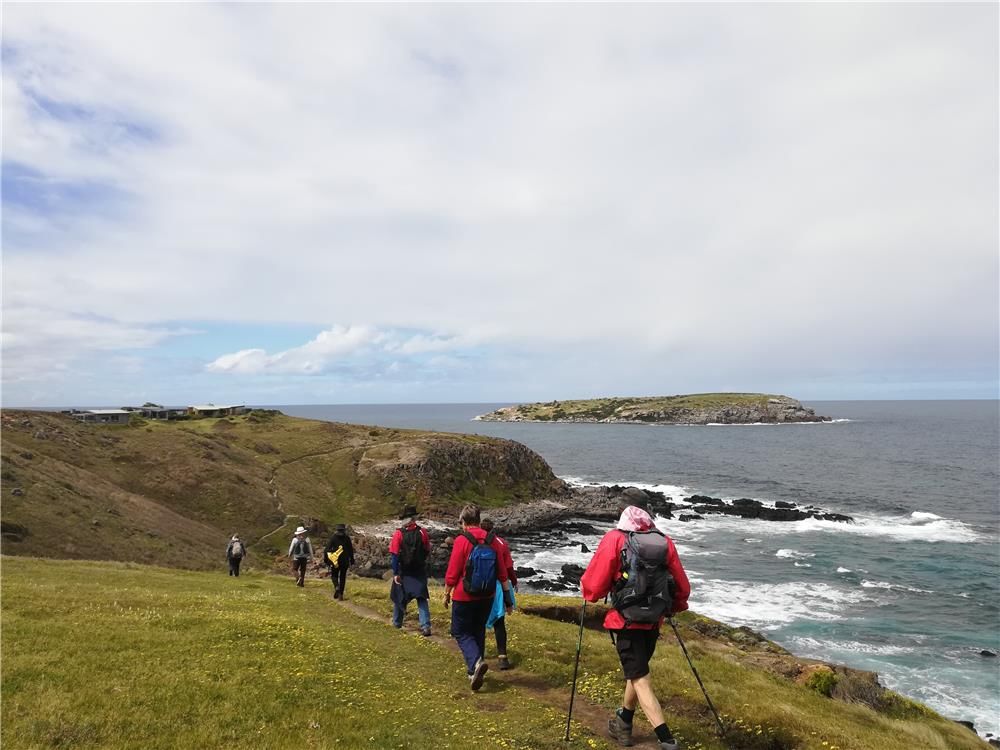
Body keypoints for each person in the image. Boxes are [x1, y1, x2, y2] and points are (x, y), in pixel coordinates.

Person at [580, 505, 691, 750]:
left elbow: (594, 584)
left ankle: (666, 739)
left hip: (626, 620)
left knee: (640, 677)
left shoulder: (614, 539)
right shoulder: (663, 541)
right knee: (637, 671)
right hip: (653, 619)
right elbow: (682, 584)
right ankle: (624, 721)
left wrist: (588, 593)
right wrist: (676, 605)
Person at [444, 504, 513, 691]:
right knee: (478, 630)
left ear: (465, 522)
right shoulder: (493, 540)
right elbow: (502, 573)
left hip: (464, 595)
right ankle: (473, 671)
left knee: (460, 631)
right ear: (479, 520)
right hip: (487, 595)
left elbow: (453, 571)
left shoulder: (462, 540)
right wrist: (508, 599)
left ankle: (475, 663)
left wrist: (447, 591)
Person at [388, 505, 432, 635]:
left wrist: (396, 573)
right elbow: (427, 549)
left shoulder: (398, 534)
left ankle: (397, 622)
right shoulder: (422, 532)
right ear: (414, 519)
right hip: (418, 570)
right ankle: (425, 626)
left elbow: (395, 555)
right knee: (421, 597)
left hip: (404, 570)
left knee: (399, 596)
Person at [480, 517, 517, 669]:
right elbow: (508, 567)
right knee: (499, 622)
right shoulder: (500, 543)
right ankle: (502, 657)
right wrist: (513, 581)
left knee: (478, 622)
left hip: (479, 585)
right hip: (497, 586)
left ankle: (479, 657)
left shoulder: (476, 541)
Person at [323, 523, 355, 599]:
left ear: (337, 530)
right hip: (345, 561)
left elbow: (326, 550)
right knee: (342, 577)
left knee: (334, 575)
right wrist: (352, 559)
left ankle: (336, 586)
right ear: (344, 530)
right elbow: (350, 550)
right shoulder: (347, 538)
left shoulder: (333, 538)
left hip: (335, 561)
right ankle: (341, 594)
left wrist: (326, 560)